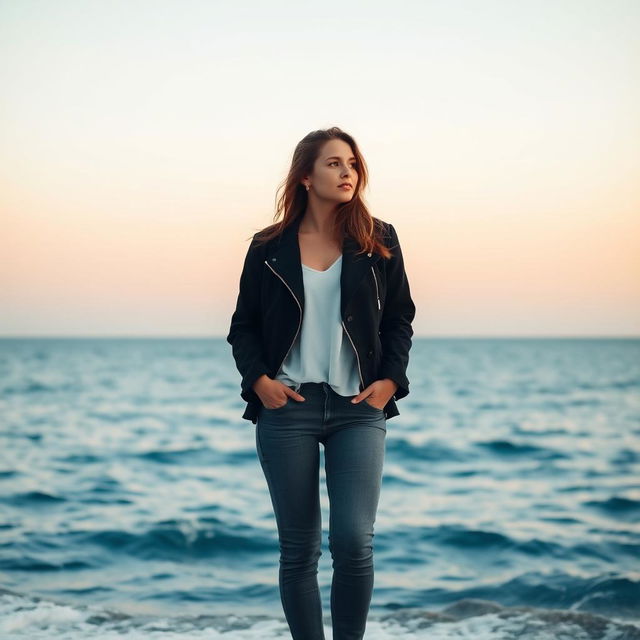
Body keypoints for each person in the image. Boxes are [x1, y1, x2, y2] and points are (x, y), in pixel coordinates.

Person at [226, 126, 416, 640]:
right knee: (299, 547)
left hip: (359, 407)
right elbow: (242, 325)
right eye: (334, 163)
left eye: (352, 163)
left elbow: (400, 318)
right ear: (306, 176)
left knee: (354, 541)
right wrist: (259, 381)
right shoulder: (268, 247)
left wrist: (390, 382)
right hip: (287, 407)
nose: (347, 172)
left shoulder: (380, 239)